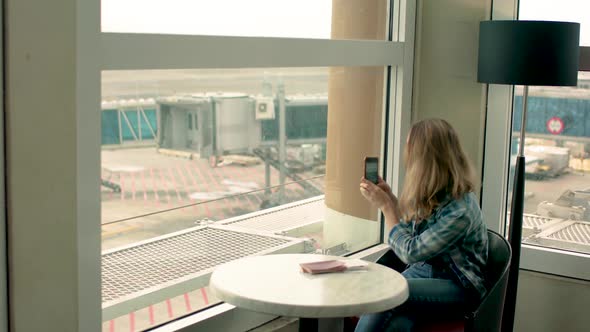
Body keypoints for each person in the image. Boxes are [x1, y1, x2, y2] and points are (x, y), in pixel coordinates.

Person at [355, 118, 488, 332]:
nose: (407, 158)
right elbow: (413, 237)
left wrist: (386, 208)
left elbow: (410, 251)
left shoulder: (461, 211)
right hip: (423, 273)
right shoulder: (436, 192)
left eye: (410, 151)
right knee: (396, 326)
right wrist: (390, 200)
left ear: (425, 159)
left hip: (457, 284)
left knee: (386, 291)